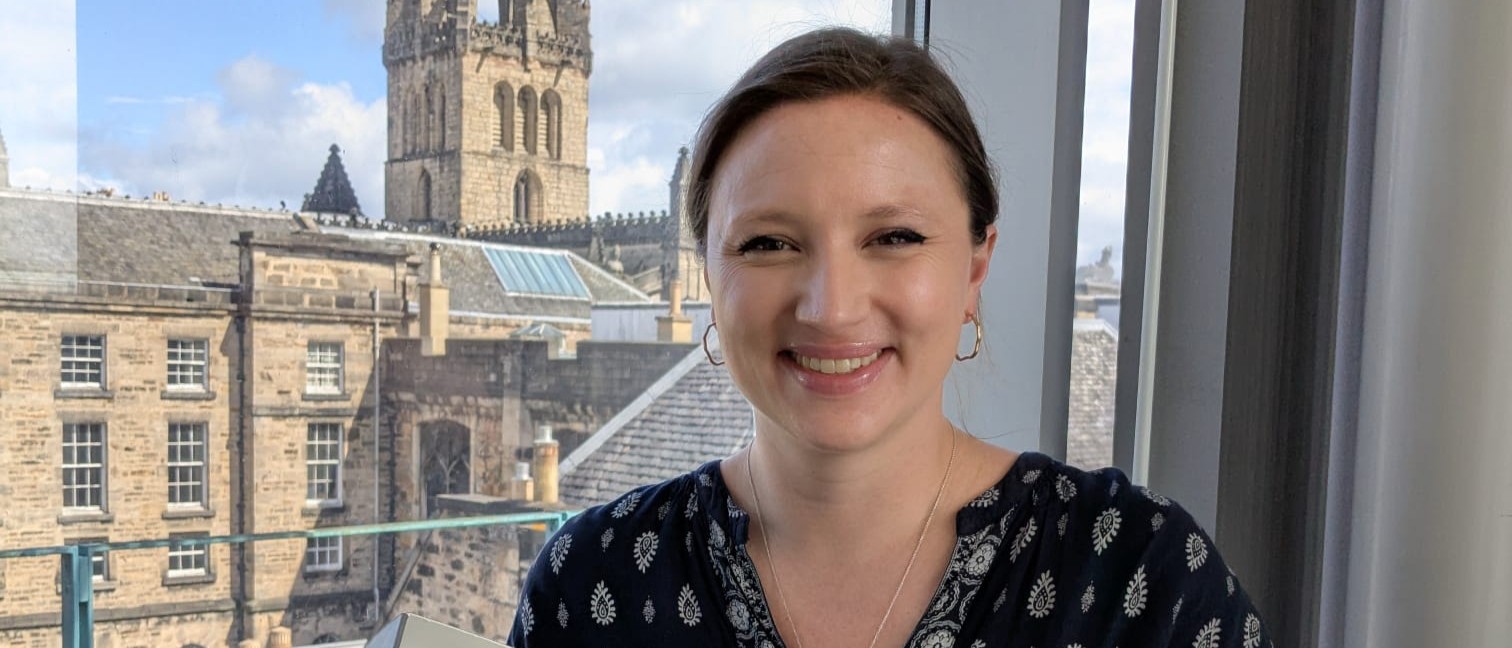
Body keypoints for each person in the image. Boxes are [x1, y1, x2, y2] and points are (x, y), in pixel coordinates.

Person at [508, 27, 1268, 647]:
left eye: (895, 236)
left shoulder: (1140, 579)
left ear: (975, 268)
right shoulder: (591, 584)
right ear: (708, 277)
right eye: (770, 243)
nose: (832, 308)